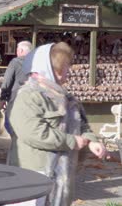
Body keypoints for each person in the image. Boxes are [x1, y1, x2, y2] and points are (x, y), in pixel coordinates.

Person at [8, 42, 107, 206]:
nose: (68, 71)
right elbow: (34, 133)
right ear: (50, 68)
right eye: (64, 67)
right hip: (34, 172)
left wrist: (91, 141)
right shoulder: (27, 96)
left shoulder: (66, 97)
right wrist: (72, 141)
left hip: (62, 173)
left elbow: (81, 124)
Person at [0, 40, 32, 135]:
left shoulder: (15, 62)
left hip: (16, 98)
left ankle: (17, 141)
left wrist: (3, 98)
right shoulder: (36, 62)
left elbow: (7, 80)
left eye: (17, 50)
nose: (16, 52)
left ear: (21, 51)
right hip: (31, 99)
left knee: (8, 123)